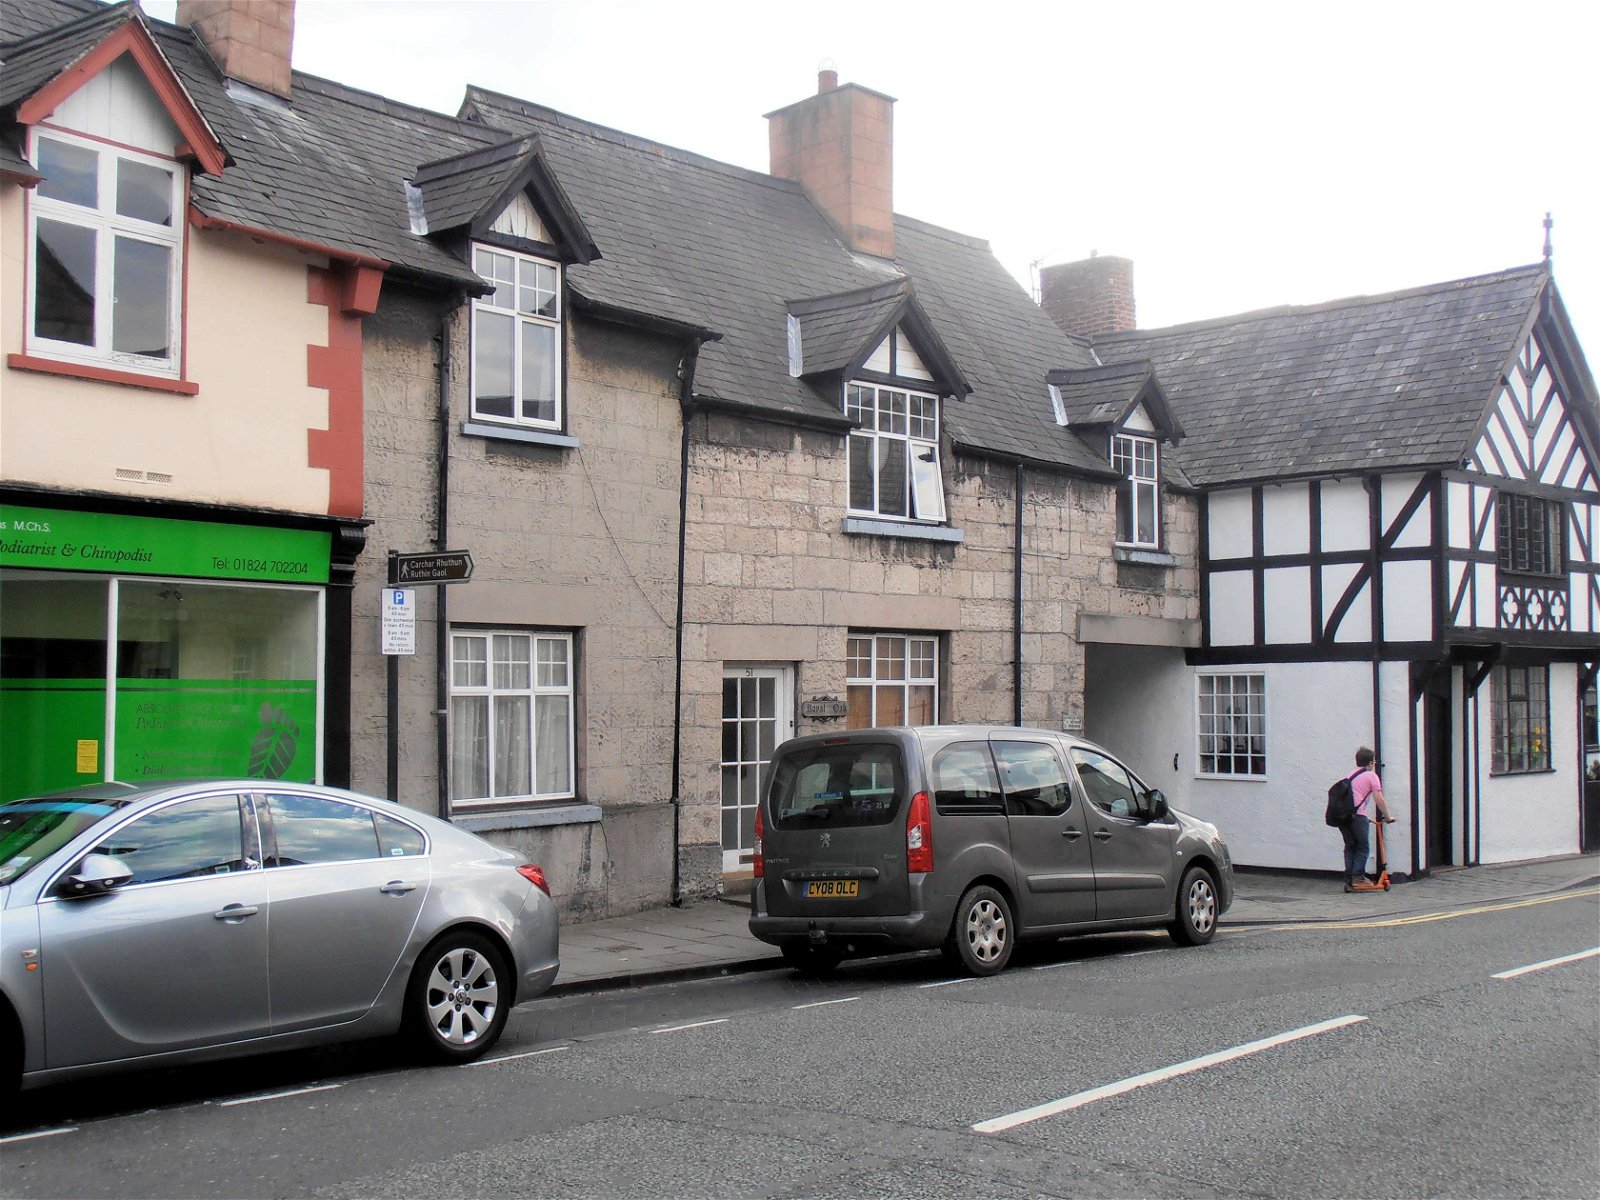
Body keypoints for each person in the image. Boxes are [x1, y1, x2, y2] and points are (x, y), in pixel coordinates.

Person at [1341, 746, 1392, 891]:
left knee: (1350, 846)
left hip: (1344, 817)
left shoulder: (1350, 775)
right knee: (1362, 847)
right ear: (1370, 763)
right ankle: (1358, 878)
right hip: (1358, 817)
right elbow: (1379, 798)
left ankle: (1349, 879)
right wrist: (1387, 817)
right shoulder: (1371, 776)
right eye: (1374, 762)